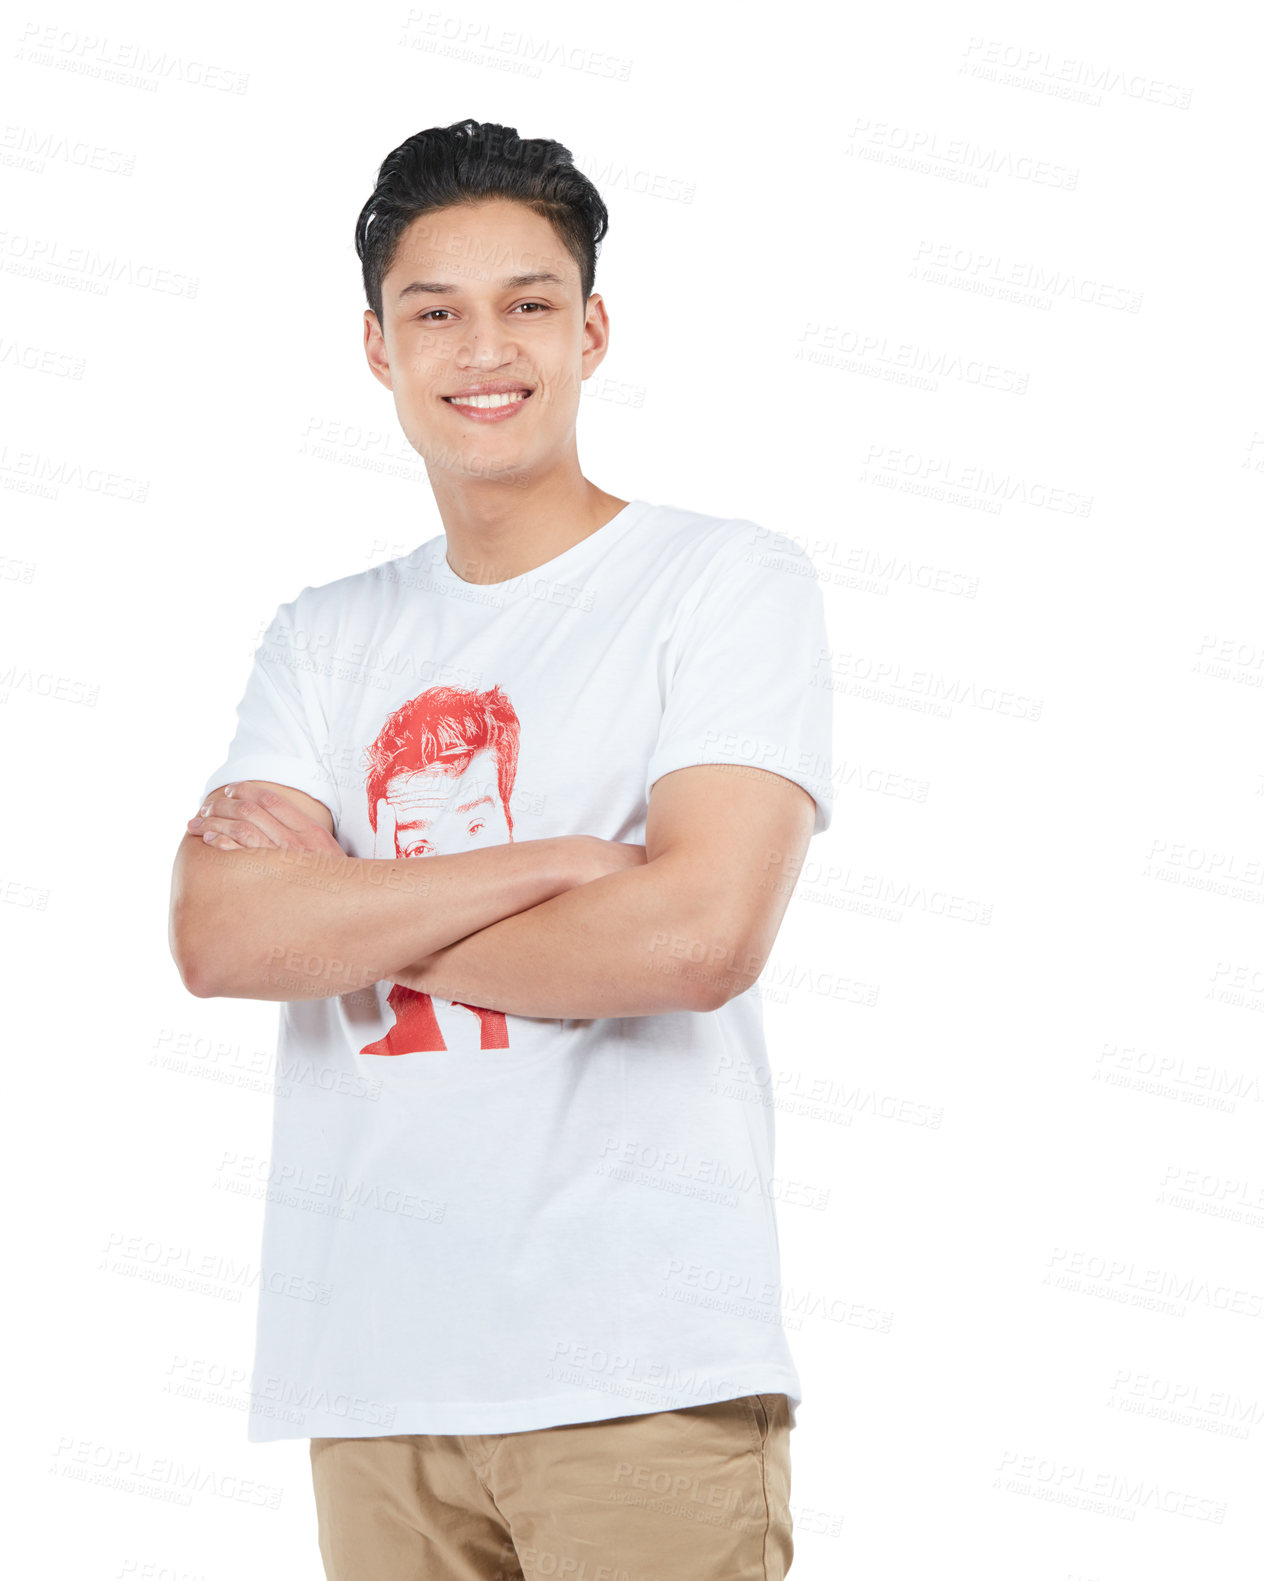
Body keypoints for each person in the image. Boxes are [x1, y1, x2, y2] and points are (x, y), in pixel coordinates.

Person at [169, 118, 834, 1581]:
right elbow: (221, 937)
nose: (488, 348)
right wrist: (571, 865)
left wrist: (341, 904)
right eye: (437, 311)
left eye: (530, 303)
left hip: (640, 1381)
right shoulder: (324, 637)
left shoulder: (722, 583)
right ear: (376, 346)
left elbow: (692, 940)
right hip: (376, 1386)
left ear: (591, 329)